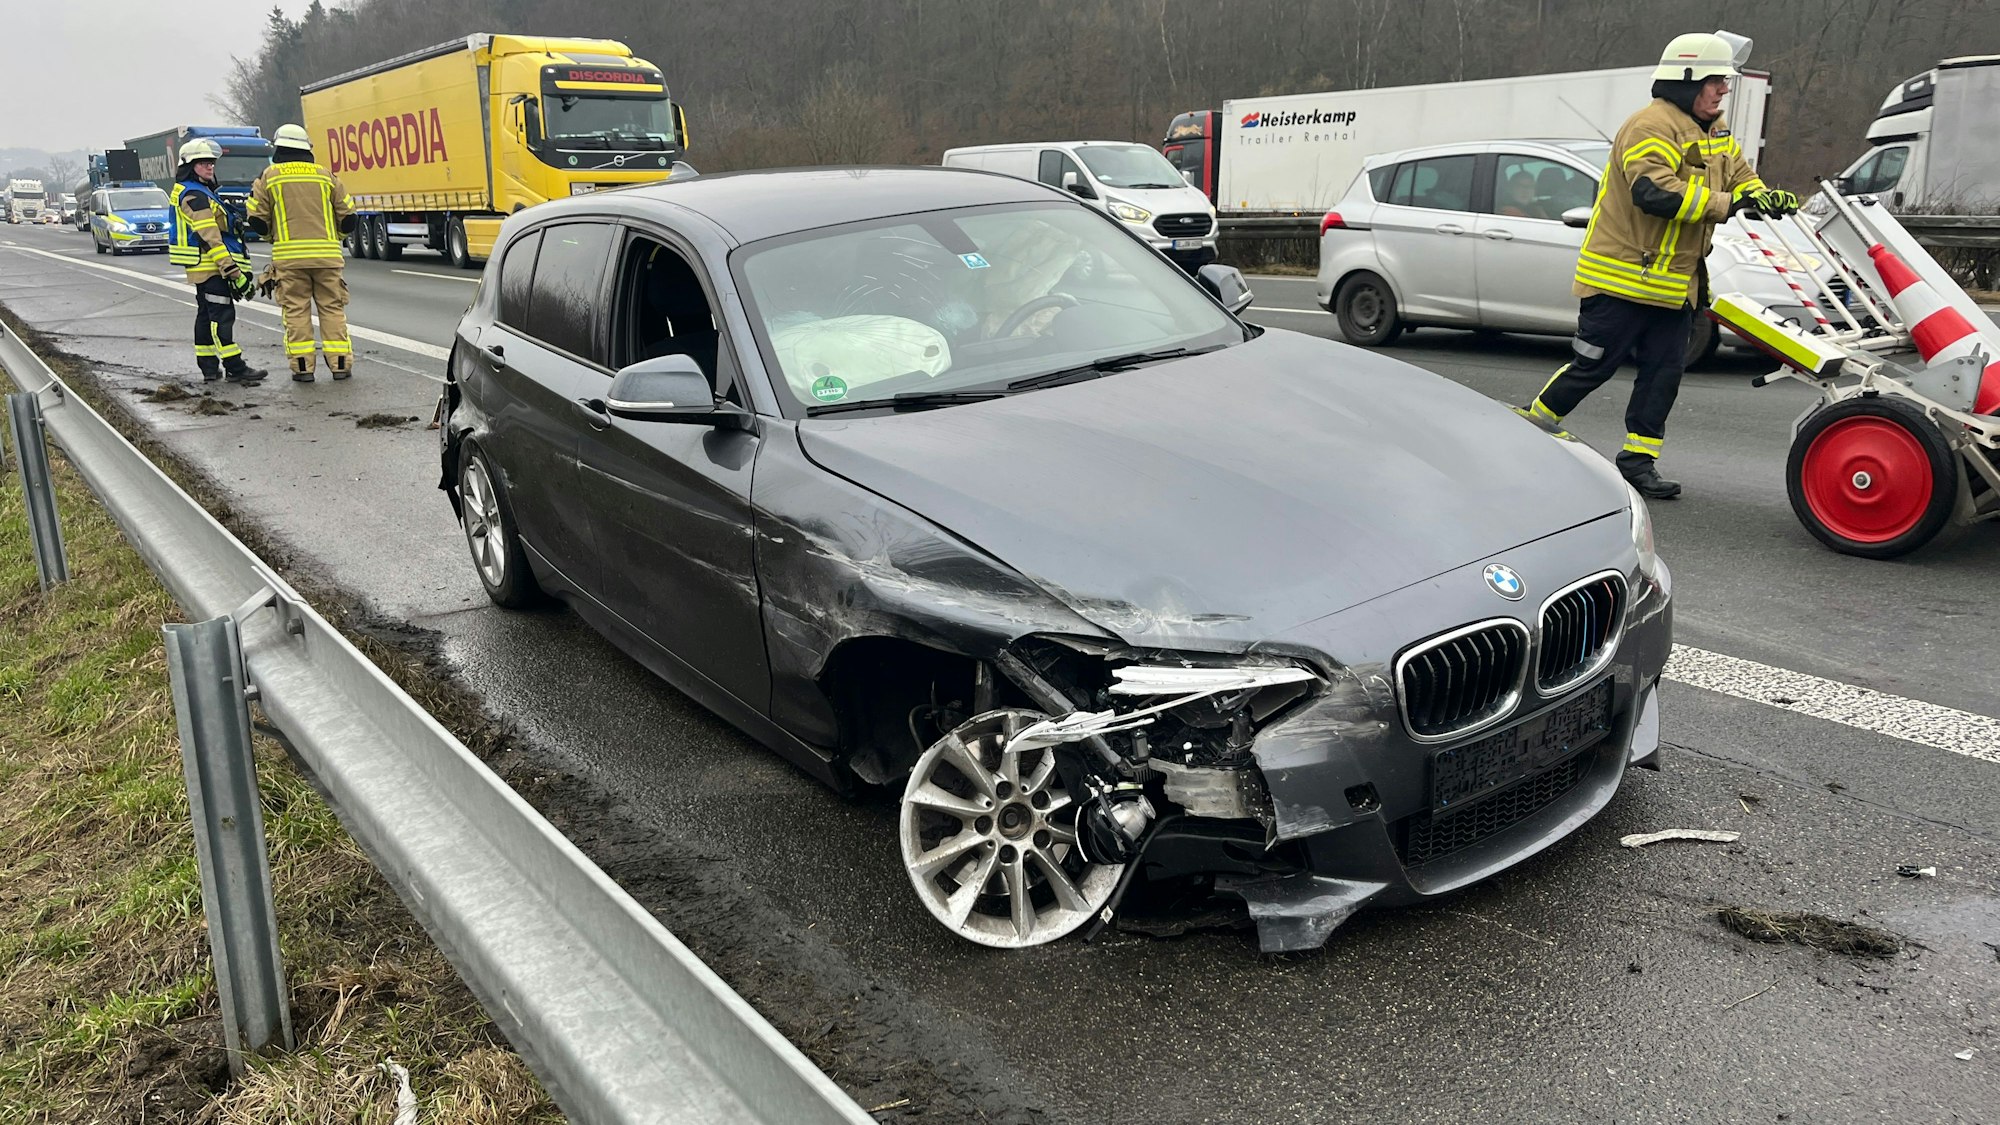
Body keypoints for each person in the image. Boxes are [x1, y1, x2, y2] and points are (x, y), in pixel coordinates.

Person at [1517, 31, 1798, 499]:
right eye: (1715, 82)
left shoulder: (1714, 129)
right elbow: (1656, 193)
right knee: (1592, 368)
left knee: (1662, 377)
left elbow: (1738, 171)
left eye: (1725, 82)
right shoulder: (1650, 126)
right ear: (1686, 81)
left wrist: (1758, 193)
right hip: (1620, 281)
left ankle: (1637, 462)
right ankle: (1529, 431)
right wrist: (1729, 203)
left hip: (1673, 285)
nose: (1724, 90)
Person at [246, 123, 356, 381]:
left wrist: (272, 236)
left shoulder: (269, 176)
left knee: (296, 311)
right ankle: (341, 365)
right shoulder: (326, 175)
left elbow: (256, 220)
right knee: (332, 309)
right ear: (307, 148)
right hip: (328, 259)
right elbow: (349, 217)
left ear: (278, 148)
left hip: (289, 260)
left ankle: (303, 369)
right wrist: (335, 238)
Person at [168, 138, 265, 384]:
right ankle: (235, 367)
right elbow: (211, 239)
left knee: (205, 315)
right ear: (190, 166)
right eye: (203, 164)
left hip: (206, 267)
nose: (210, 167)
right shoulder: (195, 195)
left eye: (211, 163)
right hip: (212, 267)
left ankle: (209, 367)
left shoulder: (199, 191)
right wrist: (233, 271)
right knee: (220, 317)